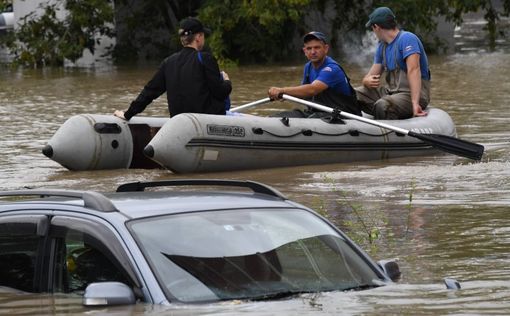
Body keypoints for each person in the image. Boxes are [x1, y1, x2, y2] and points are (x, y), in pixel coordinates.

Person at [114, 17, 232, 120]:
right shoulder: (206, 58)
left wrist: (128, 114)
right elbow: (220, 93)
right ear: (198, 37)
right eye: (203, 35)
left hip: (179, 122)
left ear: (182, 40)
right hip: (206, 122)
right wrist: (227, 82)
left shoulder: (168, 62)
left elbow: (149, 92)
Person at [356, 7, 431, 120]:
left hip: (412, 95)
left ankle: (384, 120)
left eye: (372, 28)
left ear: (376, 27)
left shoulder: (407, 39)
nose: (373, 32)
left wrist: (415, 103)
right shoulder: (382, 47)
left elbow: (414, 70)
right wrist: (366, 81)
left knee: (383, 105)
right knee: (353, 94)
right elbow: (369, 76)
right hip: (390, 93)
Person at [267, 31, 360, 118]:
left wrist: (283, 90)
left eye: (317, 47)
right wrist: (287, 95)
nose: (313, 52)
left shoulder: (332, 69)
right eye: (309, 48)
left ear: (326, 48)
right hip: (320, 113)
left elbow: (312, 89)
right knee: (280, 116)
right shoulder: (308, 67)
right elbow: (304, 93)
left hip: (342, 116)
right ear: (305, 51)